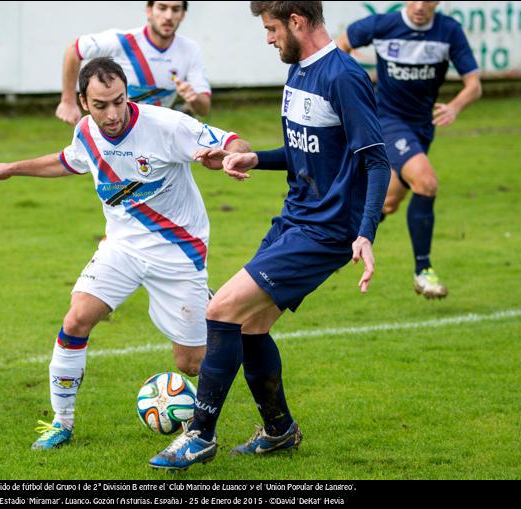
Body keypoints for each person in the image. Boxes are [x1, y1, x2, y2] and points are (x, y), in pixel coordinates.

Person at [149, 1, 391, 471]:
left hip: (326, 231)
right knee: (250, 325)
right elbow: (312, 148)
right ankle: (279, 430)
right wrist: (255, 158)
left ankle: (199, 436)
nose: (268, 38)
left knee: (220, 310)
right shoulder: (299, 70)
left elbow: (376, 159)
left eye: (272, 28)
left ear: (297, 22)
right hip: (295, 218)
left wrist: (365, 233)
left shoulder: (342, 77)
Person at [0, 57, 249, 450]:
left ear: (126, 93)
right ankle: (61, 423)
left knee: (191, 364)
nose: (112, 113)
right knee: (77, 318)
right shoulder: (87, 132)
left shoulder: (166, 125)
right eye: (101, 105)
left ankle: (221, 319)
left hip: (177, 253)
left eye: (118, 101)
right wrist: (10, 168)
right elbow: (68, 161)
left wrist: (233, 158)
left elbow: (231, 141)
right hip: (122, 247)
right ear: (83, 101)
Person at [338, 1, 482, 299]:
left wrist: (455, 106)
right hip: (386, 120)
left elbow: (474, 85)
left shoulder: (448, 31)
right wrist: (349, 91)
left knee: (387, 203)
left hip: (421, 128)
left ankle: (335, 245)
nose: (419, 6)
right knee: (426, 182)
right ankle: (423, 271)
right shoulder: (383, 25)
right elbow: (342, 45)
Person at [55, 1, 211, 125]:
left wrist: (194, 98)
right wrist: (68, 101)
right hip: (117, 128)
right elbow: (74, 50)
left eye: (176, 9)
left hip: (160, 130)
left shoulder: (190, 50)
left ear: (183, 14)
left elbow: (204, 108)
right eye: (162, 8)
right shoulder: (122, 40)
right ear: (149, 10)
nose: (168, 16)